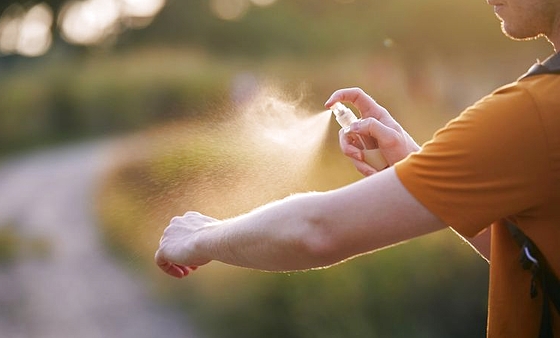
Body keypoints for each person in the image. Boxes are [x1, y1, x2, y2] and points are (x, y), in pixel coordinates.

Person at [155, 0, 560, 337]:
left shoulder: (534, 112)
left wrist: (202, 236)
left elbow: (316, 231)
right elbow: (527, 251)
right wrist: (413, 165)